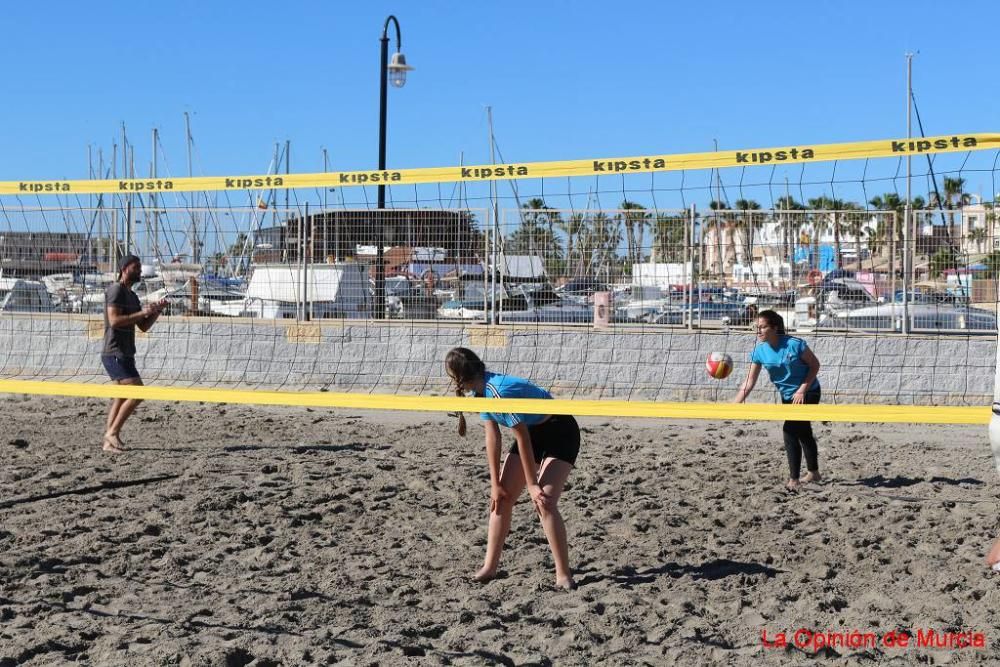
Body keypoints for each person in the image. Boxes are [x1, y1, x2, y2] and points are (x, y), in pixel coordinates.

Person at [445, 347, 580, 589]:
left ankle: (563, 575)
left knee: (544, 500)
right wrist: (495, 484)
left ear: (459, 377)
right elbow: (493, 438)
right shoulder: (481, 392)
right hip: (533, 431)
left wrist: (532, 484)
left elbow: (522, 439)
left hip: (560, 431)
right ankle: (489, 568)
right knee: (501, 499)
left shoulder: (498, 392)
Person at [734, 309, 822, 490]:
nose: (758, 331)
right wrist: (735, 404)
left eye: (763, 327)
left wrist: (802, 389)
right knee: (803, 431)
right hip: (787, 395)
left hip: (809, 391)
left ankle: (794, 480)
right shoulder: (759, 351)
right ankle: (814, 473)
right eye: (756, 327)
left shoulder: (794, 344)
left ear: (775, 328)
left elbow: (815, 365)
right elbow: (749, 381)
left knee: (790, 431)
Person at [101, 255, 166, 453]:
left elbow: (143, 326)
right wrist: (143, 312)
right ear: (124, 268)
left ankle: (109, 442)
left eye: (139, 268)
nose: (139, 271)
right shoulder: (116, 290)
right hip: (114, 351)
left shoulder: (132, 296)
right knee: (138, 392)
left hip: (126, 352)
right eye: (136, 267)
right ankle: (112, 432)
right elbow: (114, 321)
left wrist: (156, 310)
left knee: (121, 397)